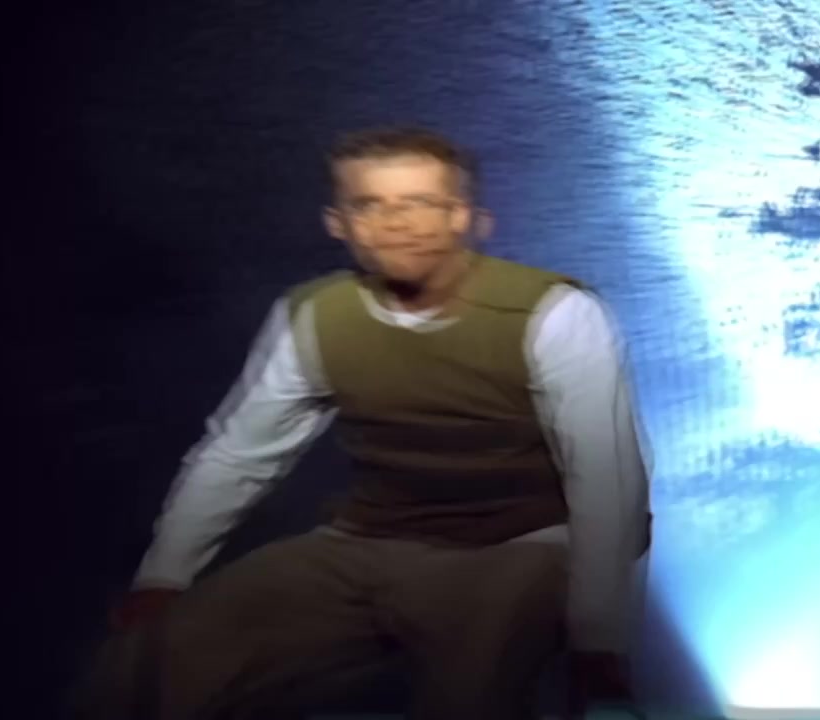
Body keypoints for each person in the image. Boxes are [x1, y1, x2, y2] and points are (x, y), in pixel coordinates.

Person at [73, 127, 652, 720]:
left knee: (473, 690)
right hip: (369, 538)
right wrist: (163, 579)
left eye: (420, 203)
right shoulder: (316, 315)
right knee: (150, 664)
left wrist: (599, 640)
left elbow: (607, 482)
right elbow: (239, 454)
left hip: (517, 544)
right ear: (338, 223)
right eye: (369, 205)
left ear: (464, 217)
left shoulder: (553, 314)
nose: (396, 223)